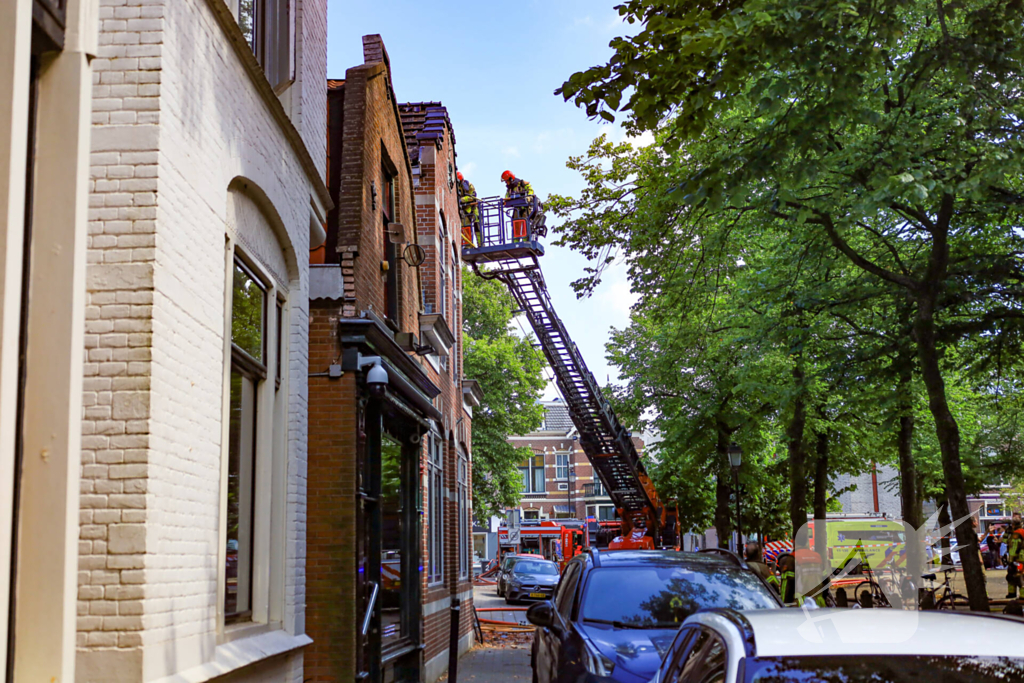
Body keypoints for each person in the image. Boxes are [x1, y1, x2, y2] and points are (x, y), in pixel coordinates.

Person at [501, 170, 547, 237]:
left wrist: (528, 197)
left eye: (506, 181)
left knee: (525, 226)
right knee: (515, 227)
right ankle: (515, 242)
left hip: (525, 209)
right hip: (517, 209)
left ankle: (526, 240)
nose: (506, 183)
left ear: (511, 179)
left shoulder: (523, 184)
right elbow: (507, 197)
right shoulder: (510, 189)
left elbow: (531, 192)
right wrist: (505, 202)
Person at [456, 171, 479, 245]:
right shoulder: (457, 187)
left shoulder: (469, 185)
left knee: (477, 227)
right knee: (466, 227)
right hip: (465, 210)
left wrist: (461, 200)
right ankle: (468, 245)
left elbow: (472, 197)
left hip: (473, 208)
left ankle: (481, 244)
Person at [1006, 519, 1024, 599]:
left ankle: (1020, 594)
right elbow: (1004, 541)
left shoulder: (1016, 534)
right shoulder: (1022, 532)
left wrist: (1011, 559)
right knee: (1012, 574)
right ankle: (1012, 592)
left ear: (1013, 525)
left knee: (1018, 575)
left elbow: (1014, 547)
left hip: (1019, 558)